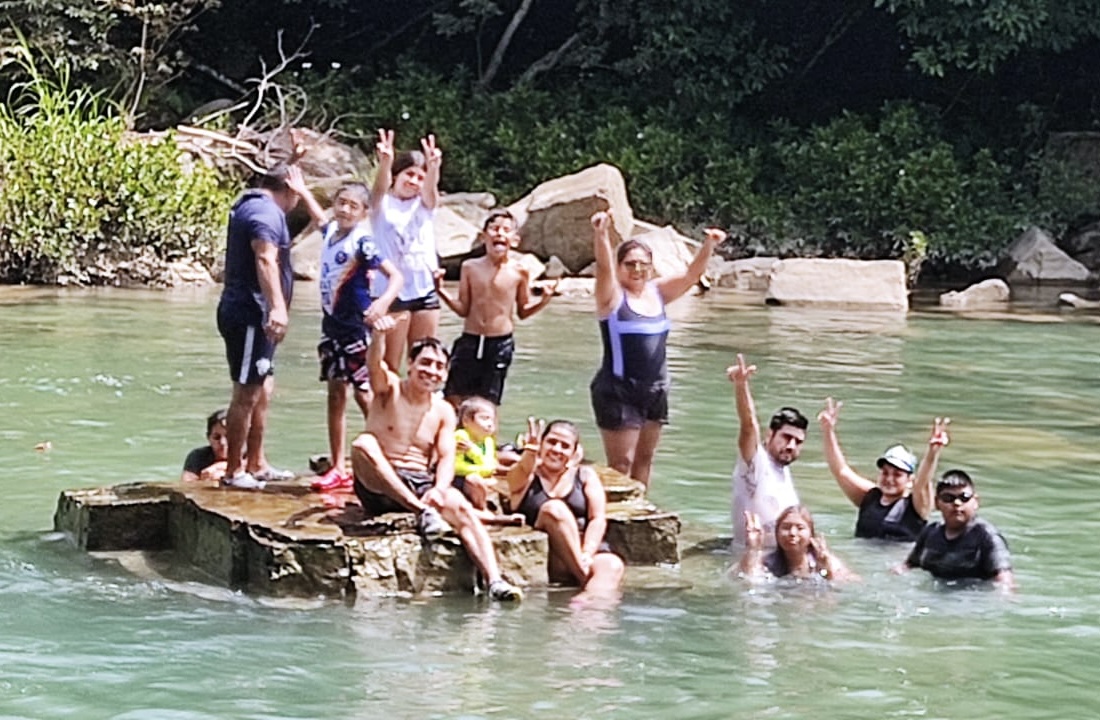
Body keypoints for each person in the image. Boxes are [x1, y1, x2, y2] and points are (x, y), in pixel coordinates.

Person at [349, 325, 524, 602]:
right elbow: (374, 365)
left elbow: (445, 457)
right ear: (410, 363)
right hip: (379, 483)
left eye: (439, 367)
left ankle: (495, 581)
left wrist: (440, 489)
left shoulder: (443, 411)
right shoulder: (389, 389)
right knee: (363, 444)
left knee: (460, 507)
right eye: (425, 363)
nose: (432, 371)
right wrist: (379, 335)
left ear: (445, 375)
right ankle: (421, 511)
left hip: (420, 481)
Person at [588, 209, 725, 488]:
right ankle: (611, 522)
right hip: (618, 389)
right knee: (620, 465)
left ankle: (640, 521)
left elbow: (691, 276)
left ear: (651, 267)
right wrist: (601, 235)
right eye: (630, 264)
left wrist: (708, 245)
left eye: (643, 264)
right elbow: (603, 269)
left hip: (656, 390)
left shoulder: (658, 292)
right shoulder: (612, 298)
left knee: (644, 462)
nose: (637, 270)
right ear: (619, 266)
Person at [293, 182, 405, 492]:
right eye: (341, 203)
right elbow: (319, 219)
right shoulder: (331, 232)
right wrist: (302, 191)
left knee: (364, 393)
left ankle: (389, 456)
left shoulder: (363, 242)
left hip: (357, 327)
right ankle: (338, 464)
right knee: (335, 393)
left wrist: (381, 304)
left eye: (353, 206)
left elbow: (395, 277)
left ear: (364, 212)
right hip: (333, 328)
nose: (344, 209)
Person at [216, 163, 308, 489]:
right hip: (251, 315)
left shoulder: (254, 203)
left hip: (253, 315)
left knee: (263, 386)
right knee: (246, 392)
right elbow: (265, 258)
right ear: (290, 189)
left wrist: (294, 155)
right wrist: (277, 308)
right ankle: (233, 472)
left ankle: (256, 462)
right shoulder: (265, 213)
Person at [436, 210, 557, 406]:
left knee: (489, 401)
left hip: (500, 343)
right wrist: (440, 291)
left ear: (515, 240)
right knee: (454, 395)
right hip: (470, 339)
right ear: (484, 237)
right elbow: (463, 309)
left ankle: (487, 436)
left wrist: (544, 300)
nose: (500, 233)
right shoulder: (469, 267)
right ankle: (451, 434)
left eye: (506, 230)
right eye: (494, 229)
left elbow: (523, 311)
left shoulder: (519, 271)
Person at [505, 417, 625, 598]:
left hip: (587, 550)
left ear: (574, 452)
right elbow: (521, 471)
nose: (556, 450)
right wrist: (529, 453)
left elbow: (597, 518)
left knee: (612, 565)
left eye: (565, 446)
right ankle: (584, 578)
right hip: (554, 558)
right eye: (551, 442)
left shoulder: (585, 475)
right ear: (541, 444)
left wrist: (587, 552)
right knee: (554, 509)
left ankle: (585, 611)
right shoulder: (525, 476)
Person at [818, 397, 951, 541]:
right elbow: (841, 470)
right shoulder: (869, 497)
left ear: (910, 481)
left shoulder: (916, 506)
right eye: (885, 472)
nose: (889, 479)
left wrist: (933, 452)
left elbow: (924, 482)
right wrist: (828, 431)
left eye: (897, 474)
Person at [368, 128, 443, 374]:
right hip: (391, 292)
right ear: (397, 175)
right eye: (409, 174)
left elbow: (431, 192)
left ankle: (419, 410)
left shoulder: (424, 205)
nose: (414, 181)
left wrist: (433, 168)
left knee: (425, 359)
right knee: (389, 364)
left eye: (419, 178)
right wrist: (385, 163)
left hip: (424, 290)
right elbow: (379, 189)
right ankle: (387, 409)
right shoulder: (381, 205)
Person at [727, 353, 806, 548]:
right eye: (786, 438)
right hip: (753, 559)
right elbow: (748, 425)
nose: (791, 446)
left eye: (798, 441)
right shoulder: (756, 465)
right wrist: (741, 385)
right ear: (770, 435)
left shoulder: (783, 470)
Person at [895, 470, 1015, 590]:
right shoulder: (930, 532)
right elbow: (909, 564)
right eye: (948, 498)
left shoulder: (987, 537)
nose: (957, 503)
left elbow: (1004, 580)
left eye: (964, 498)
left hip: (971, 597)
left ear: (976, 502)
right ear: (937, 503)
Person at [738, 506, 856, 582]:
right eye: (786, 527)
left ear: (811, 534)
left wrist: (827, 570)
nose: (792, 533)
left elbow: (850, 584)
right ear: (776, 533)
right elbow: (747, 583)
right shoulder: (765, 562)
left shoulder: (826, 561)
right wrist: (752, 549)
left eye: (800, 528)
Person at [452, 396, 507, 520]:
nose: (490, 424)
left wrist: (473, 451)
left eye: (492, 420)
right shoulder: (460, 436)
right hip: (459, 479)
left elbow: (489, 465)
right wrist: (482, 469)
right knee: (474, 480)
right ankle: (483, 510)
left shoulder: (487, 440)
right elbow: (455, 467)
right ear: (466, 421)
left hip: (479, 474)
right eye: (484, 418)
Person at [180, 409, 229, 483]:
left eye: (229, 437)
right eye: (216, 438)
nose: (222, 442)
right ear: (208, 438)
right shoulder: (198, 456)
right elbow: (187, 485)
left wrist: (222, 467)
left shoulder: (250, 456)